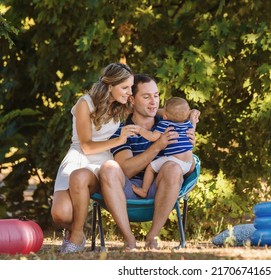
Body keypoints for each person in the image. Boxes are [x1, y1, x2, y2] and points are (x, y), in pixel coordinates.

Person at [99, 74, 199, 250]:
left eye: (156, 95)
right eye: (146, 97)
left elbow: (189, 169)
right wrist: (157, 146)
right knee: (108, 168)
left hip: (161, 188)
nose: (154, 102)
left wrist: (189, 148)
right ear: (132, 100)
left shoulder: (170, 122)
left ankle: (152, 237)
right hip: (128, 190)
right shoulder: (122, 131)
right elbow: (126, 170)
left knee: (174, 168)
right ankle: (129, 239)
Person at [51, 62, 135, 254]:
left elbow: (150, 109)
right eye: (125, 87)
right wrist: (119, 140)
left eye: (130, 87)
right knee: (60, 214)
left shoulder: (122, 104)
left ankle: (77, 237)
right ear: (110, 86)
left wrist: (186, 113)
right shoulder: (85, 104)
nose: (129, 92)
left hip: (101, 165)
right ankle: (74, 230)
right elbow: (87, 146)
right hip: (79, 156)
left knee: (80, 177)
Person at [129, 96, 196, 198]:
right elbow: (193, 127)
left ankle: (144, 190)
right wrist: (193, 119)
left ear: (165, 115)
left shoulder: (165, 124)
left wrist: (140, 130)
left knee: (151, 167)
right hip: (188, 164)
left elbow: (152, 137)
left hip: (175, 161)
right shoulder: (188, 123)